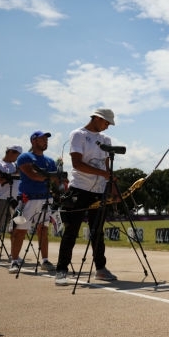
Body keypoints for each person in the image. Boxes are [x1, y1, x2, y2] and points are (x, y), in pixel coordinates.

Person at [54, 109, 119, 286]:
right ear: (96, 118)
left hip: (99, 190)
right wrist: (104, 174)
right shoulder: (78, 134)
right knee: (71, 231)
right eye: (106, 122)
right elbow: (77, 163)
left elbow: (107, 167)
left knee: (97, 231)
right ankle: (61, 270)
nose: (107, 126)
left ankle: (101, 269)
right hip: (79, 189)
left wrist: (113, 187)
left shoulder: (106, 140)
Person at [9, 131, 59, 273]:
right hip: (27, 199)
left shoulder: (50, 160)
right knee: (20, 230)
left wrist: (55, 178)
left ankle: (45, 260)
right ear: (34, 141)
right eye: (42, 139)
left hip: (45, 198)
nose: (46, 141)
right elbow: (32, 175)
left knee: (43, 230)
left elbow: (55, 179)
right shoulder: (25, 157)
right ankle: (14, 261)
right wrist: (49, 176)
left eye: (46, 139)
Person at [0, 145, 22, 264]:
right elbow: (0, 180)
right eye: (16, 154)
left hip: (16, 200)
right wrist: (15, 173)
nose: (17, 157)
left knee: (16, 228)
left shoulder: (15, 165)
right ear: (10, 152)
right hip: (2, 198)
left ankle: (14, 255)